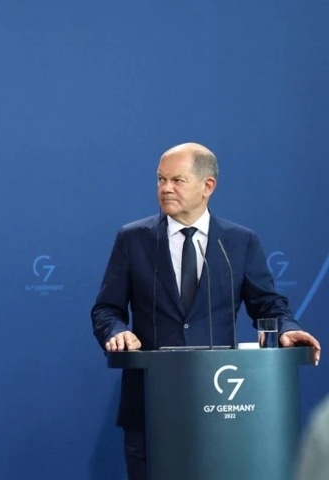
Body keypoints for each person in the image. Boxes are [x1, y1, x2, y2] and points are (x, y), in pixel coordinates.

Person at [90, 142, 321, 480]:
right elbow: (106, 309)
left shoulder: (239, 243)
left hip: (221, 412)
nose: (165, 188)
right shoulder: (133, 239)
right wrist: (116, 332)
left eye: (177, 180)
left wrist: (286, 329)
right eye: (160, 179)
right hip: (151, 409)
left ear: (207, 186)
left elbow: (268, 304)